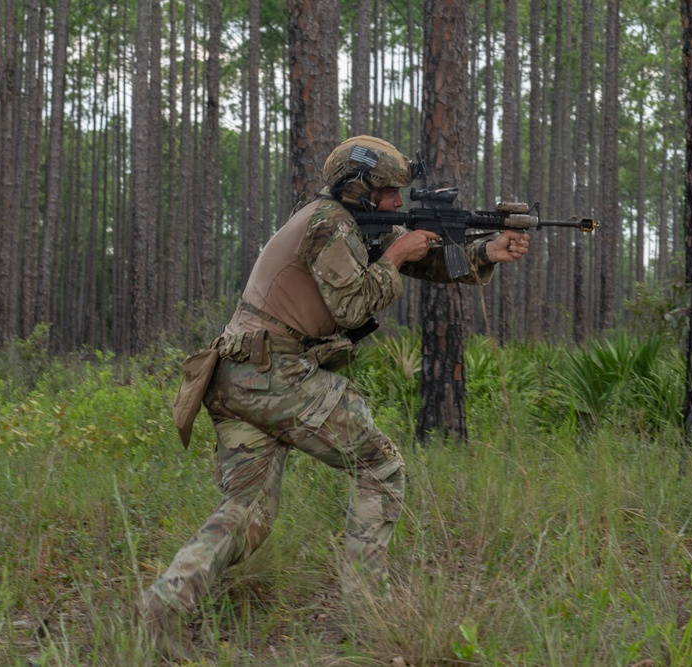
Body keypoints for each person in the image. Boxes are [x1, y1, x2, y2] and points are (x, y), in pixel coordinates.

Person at [139, 135, 530, 657]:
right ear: (360, 189)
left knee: (248, 512)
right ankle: (370, 610)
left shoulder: (339, 221)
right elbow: (352, 305)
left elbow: (425, 261)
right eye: (389, 193)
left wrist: (487, 251)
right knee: (382, 468)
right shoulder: (329, 224)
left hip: (241, 376)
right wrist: (395, 253)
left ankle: (163, 605)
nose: (397, 203)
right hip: (274, 374)